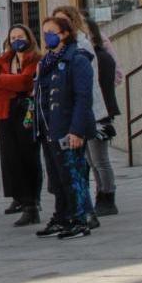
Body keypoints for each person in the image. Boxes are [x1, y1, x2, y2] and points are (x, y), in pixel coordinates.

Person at [34, 16, 97, 240]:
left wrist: (77, 130)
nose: (47, 36)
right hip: (49, 128)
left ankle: (80, 219)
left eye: (52, 32)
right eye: (44, 32)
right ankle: (62, 217)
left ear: (65, 34)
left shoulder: (77, 60)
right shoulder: (47, 62)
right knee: (57, 178)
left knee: (73, 176)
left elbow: (83, 98)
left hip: (68, 129)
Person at [0, 24, 42, 227]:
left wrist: (4, 81)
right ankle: (20, 198)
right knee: (11, 158)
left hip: (26, 112)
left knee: (28, 156)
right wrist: (10, 85)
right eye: (13, 37)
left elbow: (26, 82)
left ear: (28, 37)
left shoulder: (34, 58)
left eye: (20, 36)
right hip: (6, 112)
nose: (17, 40)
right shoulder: (4, 59)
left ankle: (32, 203)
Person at [86, 20, 120, 217]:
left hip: (100, 114)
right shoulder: (95, 56)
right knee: (92, 160)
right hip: (95, 113)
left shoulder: (100, 57)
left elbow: (104, 88)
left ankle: (108, 196)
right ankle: (101, 194)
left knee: (100, 159)